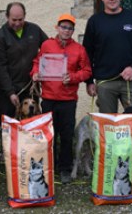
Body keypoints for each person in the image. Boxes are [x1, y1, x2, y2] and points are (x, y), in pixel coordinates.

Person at [83, 0, 132, 187]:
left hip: (131, 81)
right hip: (105, 83)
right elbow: (87, 53)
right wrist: (89, 80)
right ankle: (109, 169)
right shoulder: (95, 21)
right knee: (106, 129)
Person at [31, 14, 92, 184]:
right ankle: (49, 167)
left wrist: (72, 77)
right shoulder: (47, 45)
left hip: (68, 100)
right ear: (57, 27)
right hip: (48, 98)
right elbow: (37, 62)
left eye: (70, 28)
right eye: (63, 27)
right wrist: (35, 73)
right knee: (49, 135)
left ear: (73, 30)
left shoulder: (79, 49)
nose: (67, 31)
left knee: (66, 136)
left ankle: (65, 169)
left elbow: (87, 71)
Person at [0, 2, 48, 121]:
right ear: (7, 17)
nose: (17, 23)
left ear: (25, 16)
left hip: (29, 86)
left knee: (31, 123)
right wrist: (10, 92)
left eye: (20, 19)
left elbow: (48, 49)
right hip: (7, 89)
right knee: (9, 125)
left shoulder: (35, 30)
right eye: (14, 20)